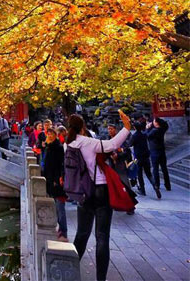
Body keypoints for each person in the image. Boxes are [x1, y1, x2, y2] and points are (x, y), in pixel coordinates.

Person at [66, 111, 132, 281]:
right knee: (102, 237)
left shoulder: (69, 144)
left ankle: (68, 273)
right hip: (100, 189)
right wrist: (126, 128)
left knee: (81, 235)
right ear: (82, 127)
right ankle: (100, 279)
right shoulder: (88, 142)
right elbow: (111, 144)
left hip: (84, 193)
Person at [40, 127, 68, 240]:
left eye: (51, 134)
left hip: (57, 179)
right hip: (50, 178)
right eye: (48, 134)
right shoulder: (49, 146)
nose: (49, 136)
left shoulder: (58, 147)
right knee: (56, 205)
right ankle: (59, 228)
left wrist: (58, 178)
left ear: (55, 135)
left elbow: (60, 164)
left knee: (60, 206)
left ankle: (64, 231)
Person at [105, 121, 138, 215]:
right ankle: (117, 204)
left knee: (125, 185)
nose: (109, 131)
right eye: (108, 129)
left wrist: (118, 155)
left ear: (115, 130)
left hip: (121, 166)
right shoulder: (107, 139)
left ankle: (131, 206)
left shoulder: (121, 140)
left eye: (111, 129)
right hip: (112, 166)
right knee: (114, 186)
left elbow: (127, 153)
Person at [146, 117, 171, 192]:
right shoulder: (162, 129)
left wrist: (147, 128)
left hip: (154, 152)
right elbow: (166, 125)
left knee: (155, 169)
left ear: (156, 123)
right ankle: (168, 185)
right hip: (162, 151)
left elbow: (147, 135)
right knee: (164, 169)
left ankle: (157, 184)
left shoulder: (154, 130)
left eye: (154, 121)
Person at [130, 120, 155, 197]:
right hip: (146, 156)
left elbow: (130, 144)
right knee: (149, 173)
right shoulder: (144, 135)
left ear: (134, 127)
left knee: (139, 174)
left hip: (138, 157)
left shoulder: (134, 136)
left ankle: (142, 190)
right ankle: (155, 185)